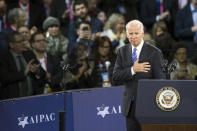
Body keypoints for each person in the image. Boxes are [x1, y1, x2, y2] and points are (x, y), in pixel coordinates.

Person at [112, 20, 166, 131]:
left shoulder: (155, 52)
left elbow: (161, 81)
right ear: (126, 34)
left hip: (149, 106)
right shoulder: (122, 51)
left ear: (142, 33)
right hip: (130, 107)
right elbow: (116, 76)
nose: (133, 36)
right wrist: (132, 70)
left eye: (136, 33)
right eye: (130, 33)